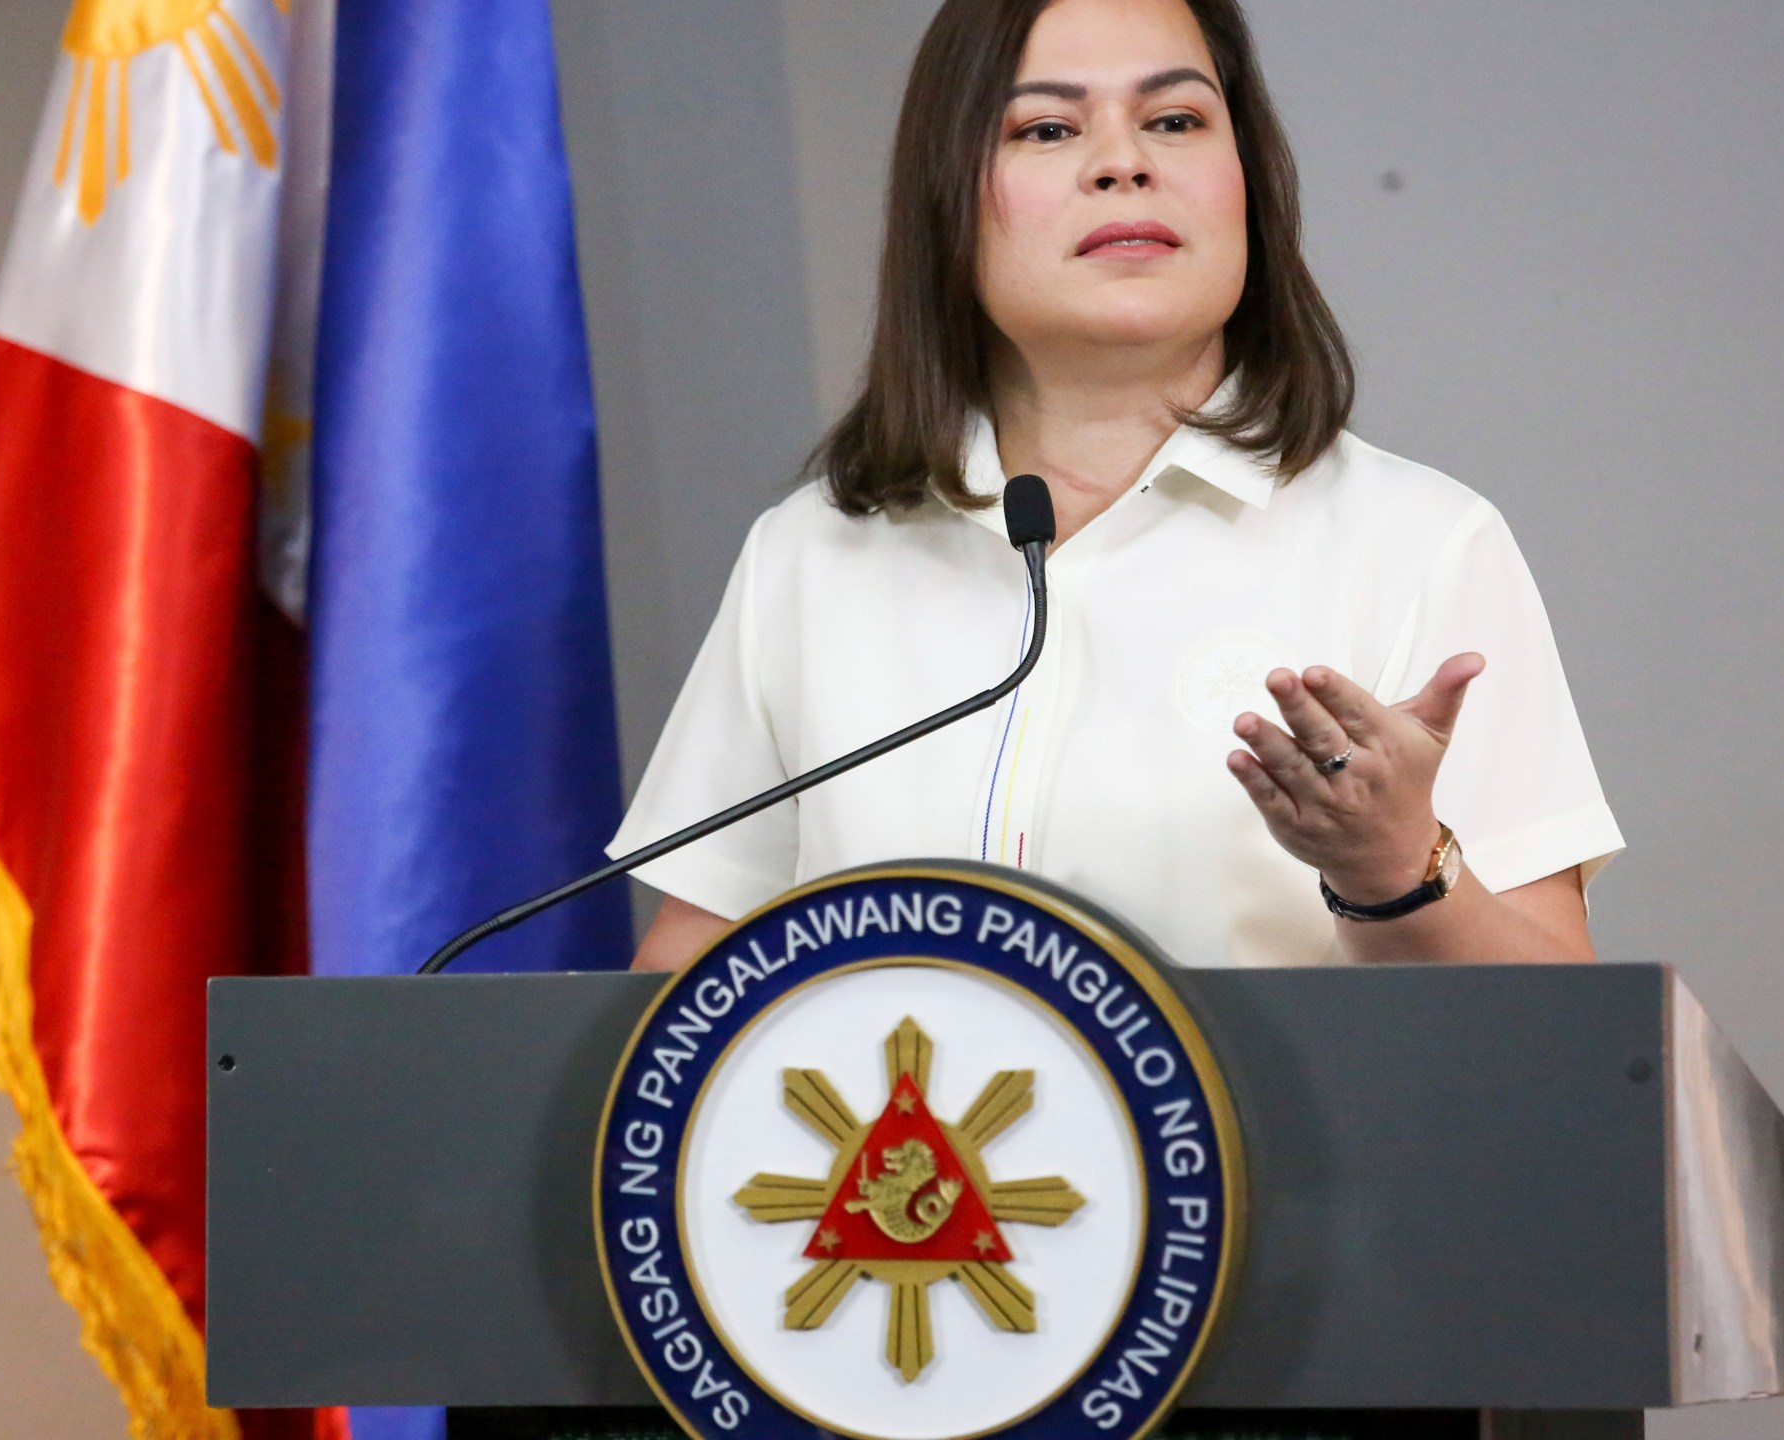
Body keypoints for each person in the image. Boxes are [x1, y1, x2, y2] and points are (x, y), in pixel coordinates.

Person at [616, 0, 1622, 976]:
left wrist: (1390, 868)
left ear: (1247, 185)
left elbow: (1555, 1024)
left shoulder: (1415, 543)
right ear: (948, 198)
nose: (1124, 162)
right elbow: (687, 980)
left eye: (1175, 120)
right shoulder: (814, 555)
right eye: (1048, 128)